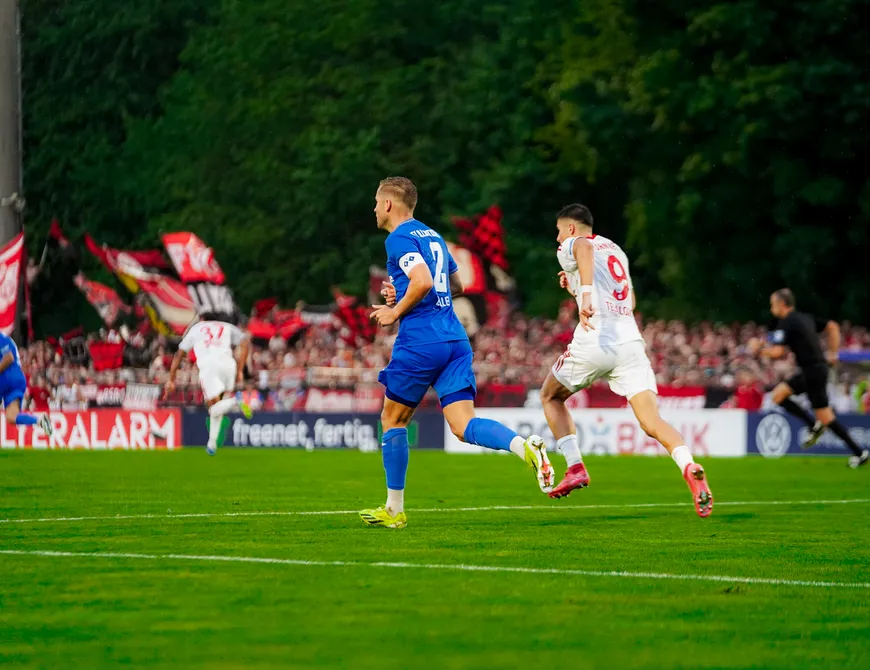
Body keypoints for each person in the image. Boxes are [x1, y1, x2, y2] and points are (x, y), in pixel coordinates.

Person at [360, 176, 552, 529]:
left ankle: (394, 509)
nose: (373, 208)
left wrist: (395, 310)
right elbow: (456, 284)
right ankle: (523, 447)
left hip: (421, 340)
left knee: (393, 419)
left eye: (376, 201)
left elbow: (423, 282)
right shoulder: (432, 235)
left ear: (388, 204)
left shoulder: (397, 238)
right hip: (455, 339)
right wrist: (399, 292)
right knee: (463, 426)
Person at [537, 204, 713, 517]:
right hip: (630, 344)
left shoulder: (575, 244)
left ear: (572, 228)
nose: (557, 237)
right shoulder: (616, 249)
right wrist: (577, 287)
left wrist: (585, 294)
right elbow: (628, 299)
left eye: (560, 230)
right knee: (651, 421)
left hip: (596, 340)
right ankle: (688, 465)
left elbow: (583, 249)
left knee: (550, 396)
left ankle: (575, 466)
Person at [751, 289, 868, 468]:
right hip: (816, 369)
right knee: (784, 397)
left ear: (782, 304)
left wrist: (758, 350)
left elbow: (778, 352)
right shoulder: (805, 318)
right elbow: (833, 326)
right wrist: (833, 353)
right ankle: (856, 451)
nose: (771, 308)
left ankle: (822, 430)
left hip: (812, 370)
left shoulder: (787, 322)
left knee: (821, 415)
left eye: (772, 304)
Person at [164, 312, 253, 455]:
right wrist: (241, 369)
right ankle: (212, 444)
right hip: (228, 365)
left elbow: (179, 354)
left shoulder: (197, 328)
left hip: (209, 366)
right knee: (218, 406)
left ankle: (236, 400)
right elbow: (245, 343)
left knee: (213, 407)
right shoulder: (226, 327)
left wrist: (172, 379)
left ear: (202, 319)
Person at [0, 333, 53, 436]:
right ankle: (40, 421)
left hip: (9, 378)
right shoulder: (6, 339)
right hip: (15, 381)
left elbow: (9, 357)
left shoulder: (1, 338)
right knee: (11, 417)